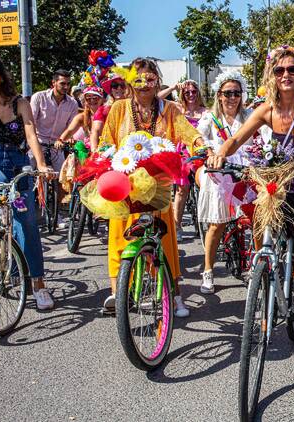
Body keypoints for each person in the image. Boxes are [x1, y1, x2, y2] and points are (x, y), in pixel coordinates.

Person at [207, 45, 294, 356]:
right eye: (279, 70)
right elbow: (236, 138)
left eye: (292, 70)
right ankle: (267, 301)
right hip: (280, 188)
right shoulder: (267, 109)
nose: (286, 75)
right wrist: (219, 154)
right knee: (263, 238)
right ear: (272, 74)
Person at [100, 58, 201, 318]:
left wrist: (202, 146)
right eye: (138, 79)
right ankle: (117, 292)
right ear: (130, 81)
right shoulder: (119, 109)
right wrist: (101, 156)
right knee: (119, 235)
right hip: (126, 183)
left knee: (164, 238)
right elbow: (106, 142)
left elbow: (188, 133)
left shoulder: (170, 109)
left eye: (150, 79)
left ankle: (175, 293)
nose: (144, 84)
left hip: (158, 184)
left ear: (157, 81)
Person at [0, 52, 54, 309]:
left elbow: (31, 135)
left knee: (26, 222)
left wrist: (41, 164)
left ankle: (38, 284)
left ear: (1, 76)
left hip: (19, 162)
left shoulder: (19, 103)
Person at [195, 71, 252, 294]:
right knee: (216, 225)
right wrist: (209, 151)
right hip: (218, 173)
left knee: (254, 218)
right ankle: (208, 271)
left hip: (244, 170)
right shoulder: (211, 118)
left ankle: (256, 266)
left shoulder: (249, 115)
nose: (232, 97)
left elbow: (263, 133)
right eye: (228, 93)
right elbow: (198, 136)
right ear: (219, 95)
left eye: (237, 93)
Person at [172, 79, 207, 240]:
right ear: (182, 94)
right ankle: (177, 226)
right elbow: (157, 98)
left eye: (193, 91)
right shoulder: (178, 109)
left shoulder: (206, 111)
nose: (191, 95)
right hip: (183, 153)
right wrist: (173, 87)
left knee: (208, 186)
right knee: (181, 190)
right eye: (187, 92)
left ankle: (210, 223)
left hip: (201, 152)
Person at [30, 69, 79, 178]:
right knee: (28, 176)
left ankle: (59, 195)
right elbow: (31, 122)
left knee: (62, 178)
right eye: (62, 83)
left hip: (57, 146)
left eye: (68, 84)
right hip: (37, 143)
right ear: (54, 83)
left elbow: (71, 127)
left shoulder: (73, 103)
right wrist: (32, 142)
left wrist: (67, 138)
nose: (66, 87)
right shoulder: (39, 97)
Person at [89, 71, 129, 151]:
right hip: (109, 151)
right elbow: (95, 131)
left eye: (122, 85)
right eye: (115, 86)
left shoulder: (135, 107)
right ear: (111, 90)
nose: (119, 88)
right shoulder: (103, 110)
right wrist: (94, 152)